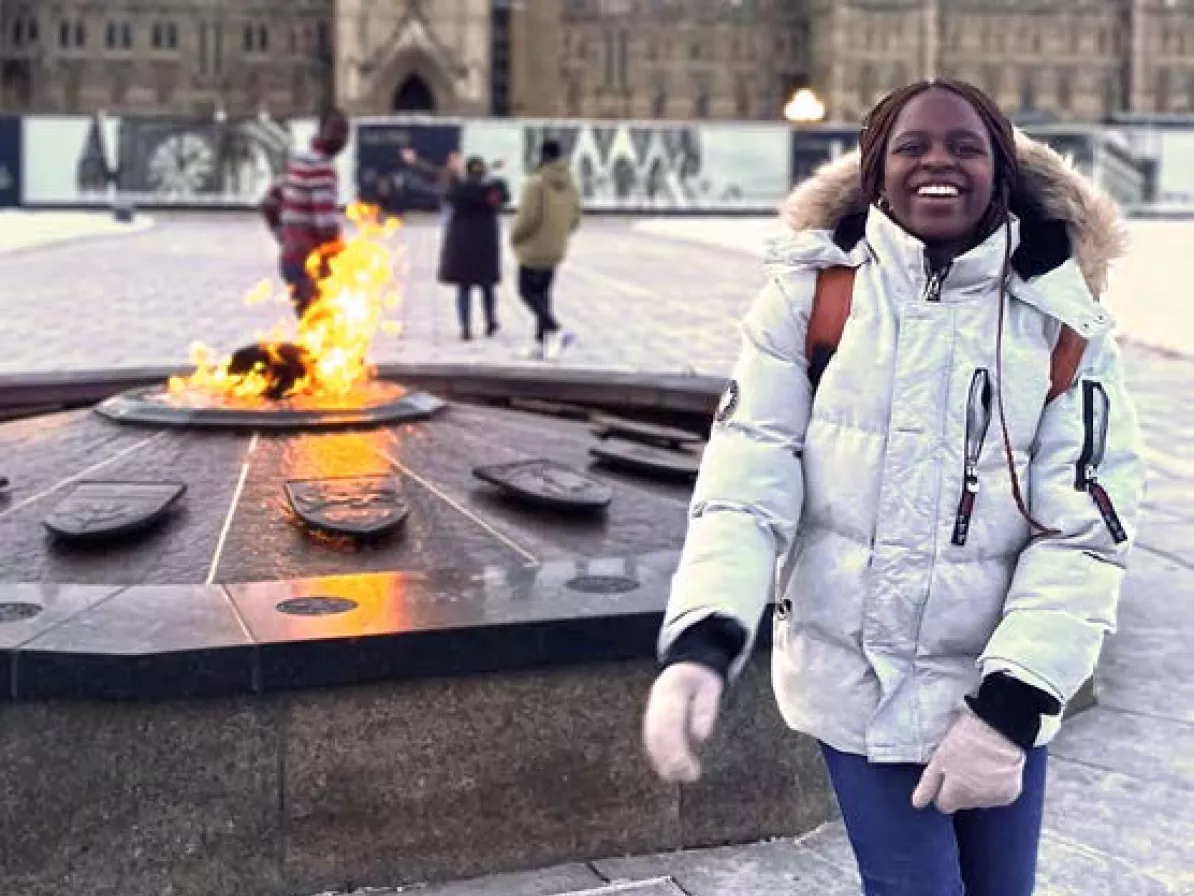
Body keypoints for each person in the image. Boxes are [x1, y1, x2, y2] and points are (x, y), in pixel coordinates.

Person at [642, 80, 1146, 896]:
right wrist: (702, 642)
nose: (937, 163)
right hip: (859, 693)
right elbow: (745, 485)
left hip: (1002, 679)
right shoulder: (811, 298)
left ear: (1002, 173)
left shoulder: (1064, 320)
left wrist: (1012, 706)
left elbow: (1085, 531)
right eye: (912, 147)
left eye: (965, 147)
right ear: (877, 171)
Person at [261, 108, 349, 319]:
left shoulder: (298, 161)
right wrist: (344, 261)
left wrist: (285, 238)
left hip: (291, 260)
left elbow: (268, 203)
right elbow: (326, 226)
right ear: (323, 131)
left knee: (311, 325)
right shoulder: (322, 167)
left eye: (345, 134)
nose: (342, 139)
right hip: (311, 265)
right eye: (339, 132)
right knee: (323, 327)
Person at [510, 138, 581, 361]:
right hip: (555, 248)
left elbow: (527, 218)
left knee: (526, 292)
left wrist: (515, 237)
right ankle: (544, 344)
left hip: (533, 248)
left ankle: (556, 329)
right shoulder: (570, 183)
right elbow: (575, 217)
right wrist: (559, 235)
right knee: (543, 295)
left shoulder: (536, 183)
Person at [437, 156, 510, 340]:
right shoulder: (492, 190)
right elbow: (504, 197)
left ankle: (465, 326)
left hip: (462, 244)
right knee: (487, 287)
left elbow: (446, 195)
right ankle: (490, 321)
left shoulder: (459, 190)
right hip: (486, 244)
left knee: (464, 288)